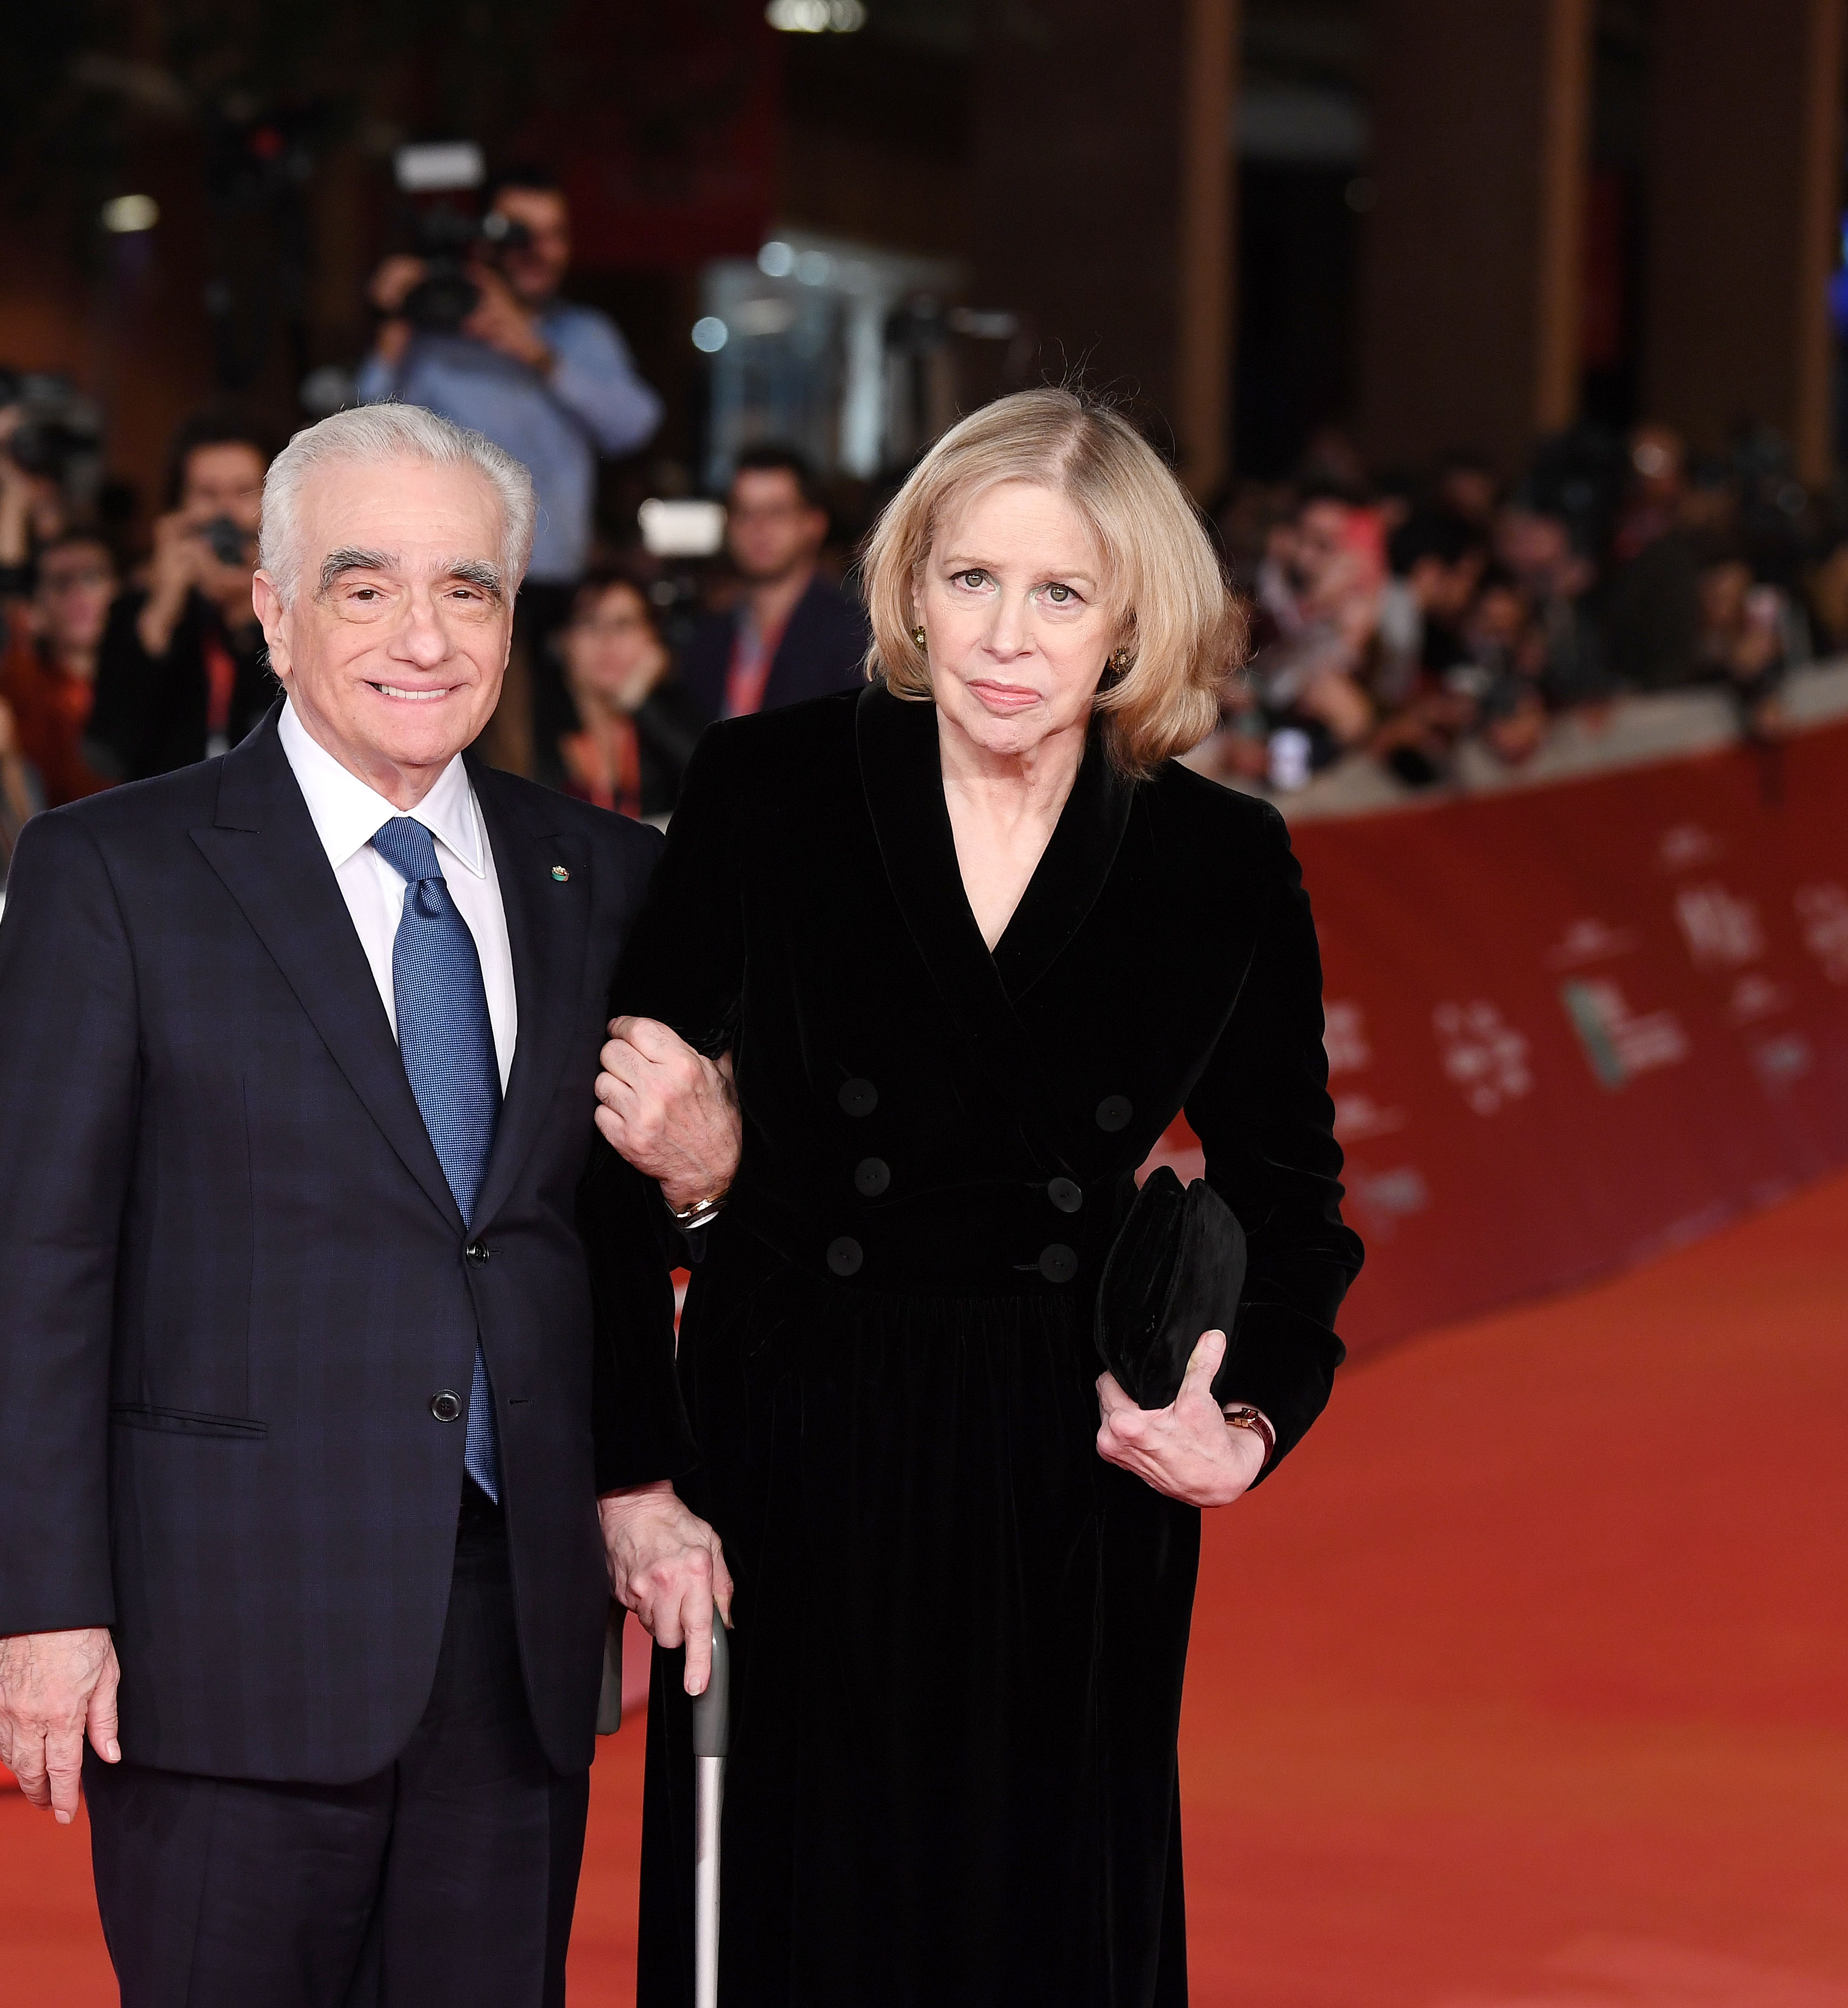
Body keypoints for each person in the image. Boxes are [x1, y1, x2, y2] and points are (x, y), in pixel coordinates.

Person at [585, 386, 1363, 2004]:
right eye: (969, 581)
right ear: (911, 591)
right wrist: (635, 1474)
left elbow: (1294, 1196)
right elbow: (612, 1150)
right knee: (777, 1929)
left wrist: (1250, 1421)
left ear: (1129, 618)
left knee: (1037, 1931)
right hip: (786, 1438)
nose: (1005, 638)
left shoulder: (1215, 858)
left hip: (1066, 1471)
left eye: (1059, 593)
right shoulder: (769, 786)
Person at [0, 404, 665, 2006]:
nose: (423, 636)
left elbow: (600, 1234)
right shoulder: (113, 872)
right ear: (270, 611)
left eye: (466, 590)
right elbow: (35, 1251)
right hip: (223, 1632)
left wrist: (639, 1467)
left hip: (512, 1636)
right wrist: (40, 1600)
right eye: (362, 586)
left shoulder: (602, 874)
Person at [360, 167, 663, 772]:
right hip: (455, 588)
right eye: (521, 233)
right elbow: (358, 429)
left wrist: (536, 353)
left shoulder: (581, 335)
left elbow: (635, 424)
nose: (538, 250)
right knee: (476, 770)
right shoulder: (433, 336)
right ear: (485, 240)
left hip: (558, 590)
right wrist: (396, 318)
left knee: (558, 776)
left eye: (555, 235)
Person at [86, 417, 280, 782]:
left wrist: (249, 613)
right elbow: (112, 749)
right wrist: (162, 609)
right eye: (207, 494)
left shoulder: (300, 614)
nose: (225, 514)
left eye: (244, 492)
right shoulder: (136, 613)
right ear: (178, 509)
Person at [674, 444, 871, 722]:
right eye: (744, 512)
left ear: (814, 524)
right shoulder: (707, 636)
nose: (758, 528)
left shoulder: (854, 634)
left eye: (776, 512)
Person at [534, 568, 697, 821]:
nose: (608, 640)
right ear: (561, 641)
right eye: (589, 623)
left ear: (653, 639)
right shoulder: (528, 726)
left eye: (624, 624)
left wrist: (641, 704)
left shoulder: (674, 718)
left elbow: (716, 784)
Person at [0, 528, 116, 807]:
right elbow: (8, 598)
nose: (78, 595)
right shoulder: (27, 683)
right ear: (35, 612)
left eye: (92, 577)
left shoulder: (149, 682)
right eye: (60, 583)